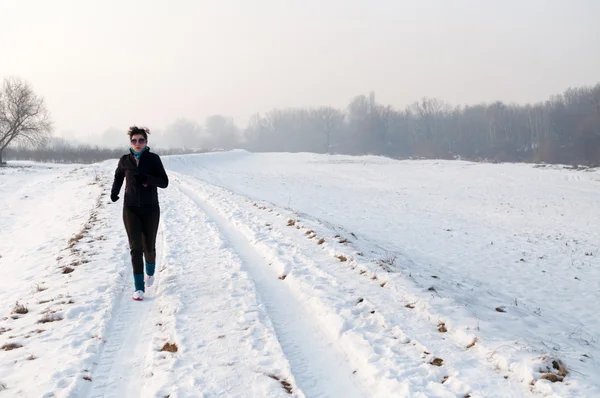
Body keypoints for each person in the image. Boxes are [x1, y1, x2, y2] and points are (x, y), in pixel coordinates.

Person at [110, 126, 169, 301]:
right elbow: (118, 177)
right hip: (130, 209)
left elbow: (164, 182)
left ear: (146, 142)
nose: (137, 143)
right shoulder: (124, 160)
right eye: (134, 140)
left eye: (141, 140)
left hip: (150, 208)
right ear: (130, 142)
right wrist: (114, 192)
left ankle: (150, 270)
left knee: (148, 247)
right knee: (135, 248)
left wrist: (148, 179)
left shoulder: (153, 159)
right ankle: (139, 288)